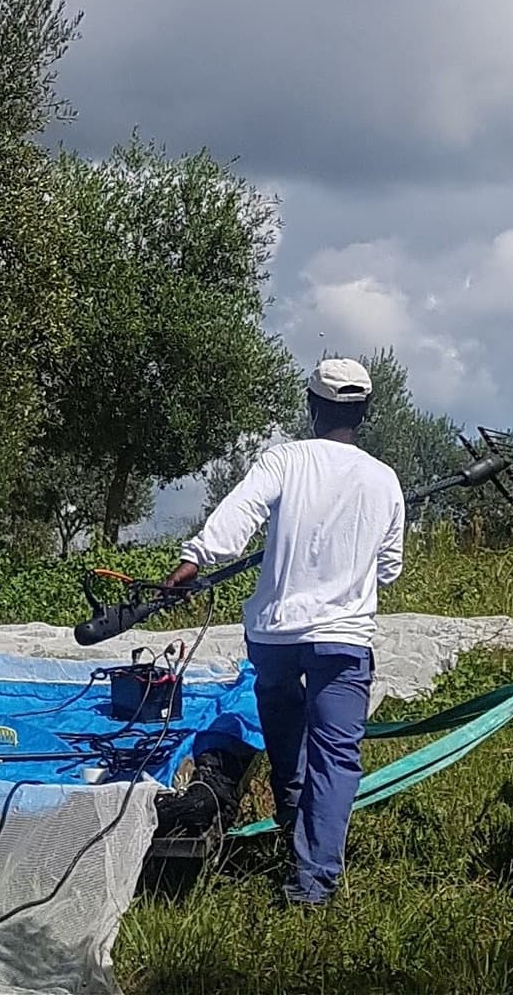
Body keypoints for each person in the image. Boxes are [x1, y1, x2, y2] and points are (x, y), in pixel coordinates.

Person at [165, 357, 404, 906]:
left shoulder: (285, 460)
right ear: (363, 413)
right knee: (336, 755)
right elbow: (388, 568)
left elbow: (239, 513)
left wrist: (194, 561)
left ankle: (293, 827)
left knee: (285, 738)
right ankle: (311, 882)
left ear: (313, 407)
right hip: (343, 640)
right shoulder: (384, 480)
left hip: (275, 636)